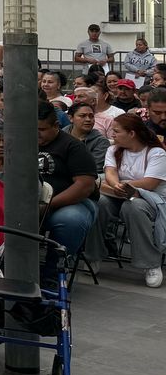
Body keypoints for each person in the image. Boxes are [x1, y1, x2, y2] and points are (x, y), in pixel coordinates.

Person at [98, 113, 166, 286]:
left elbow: (149, 183)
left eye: (116, 131)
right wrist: (117, 186)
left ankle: (150, 263)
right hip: (119, 194)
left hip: (150, 199)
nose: (112, 135)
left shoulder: (156, 153)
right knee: (100, 202)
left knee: (133, 207)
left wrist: (121, 185)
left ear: (132, 133)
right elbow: (110, 173)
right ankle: (94, 254)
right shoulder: (113, 149)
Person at [36, 98, 99, 282]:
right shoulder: (22, 143)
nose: (35, 134)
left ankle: (54, 274)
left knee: (69, 220)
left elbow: (84, 186)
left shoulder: (73, 147)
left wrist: (48, 205)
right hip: (32, 200)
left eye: (41, 130)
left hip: (71, 202)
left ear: (56, 125)